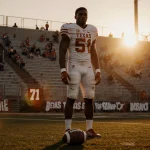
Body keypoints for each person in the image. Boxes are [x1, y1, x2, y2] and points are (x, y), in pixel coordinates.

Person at [59, 7, 101, 138]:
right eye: (80, 14)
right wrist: (63, 70)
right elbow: (62, 50)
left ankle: (89, 129)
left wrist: (98, 69)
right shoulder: (69, 28)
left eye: (85, 14)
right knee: (71, 98)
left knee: (89, 99)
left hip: (88, 67)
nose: (83, 16)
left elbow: (93, 51)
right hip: (74, 66)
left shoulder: (92, 30)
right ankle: (67, 129)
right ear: (75, 16)